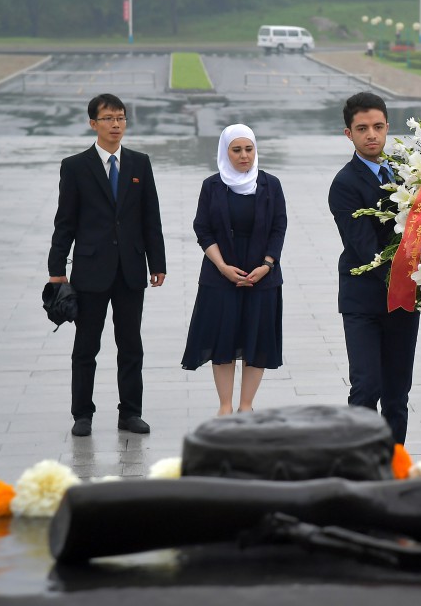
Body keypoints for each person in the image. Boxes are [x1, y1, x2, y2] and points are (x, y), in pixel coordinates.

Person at [48, 93, 166, 437]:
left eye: (121, 118)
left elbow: (150, 218)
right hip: (90, 271)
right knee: (86, 346)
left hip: (131, 270)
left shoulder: (139, 164)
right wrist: (57, 269)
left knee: (131, 344)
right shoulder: (75, 166)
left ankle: (130, 412)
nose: (116, 124)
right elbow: (65, 221)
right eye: (108, 118)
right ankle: (82, 414)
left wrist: (157, 262)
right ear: (93, 124)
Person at [328, 92, 420, 444]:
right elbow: (365, 248)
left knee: (397, 395)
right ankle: (360, 465)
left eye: (378, 127)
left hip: (403, 301)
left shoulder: (406, 173)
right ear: (348, 134)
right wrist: (410, 272)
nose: (371, 135)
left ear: (387, 128)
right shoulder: (344, 184)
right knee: (366, 388)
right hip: (364, 301)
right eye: (362, 128)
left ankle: (394, 467)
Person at [181, 124, 287, 415]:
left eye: (248, 149)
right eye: (236, 150)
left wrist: (267, 265)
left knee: (256, 339)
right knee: (222, 340)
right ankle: (225, 406)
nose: (243, 156)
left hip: (262, 275)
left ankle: (246, 406)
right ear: (225, 152)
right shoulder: (212, 185)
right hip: (221, 275)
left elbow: (279, 228)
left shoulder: (271, 184)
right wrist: (222, 267)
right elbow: (202, 229)